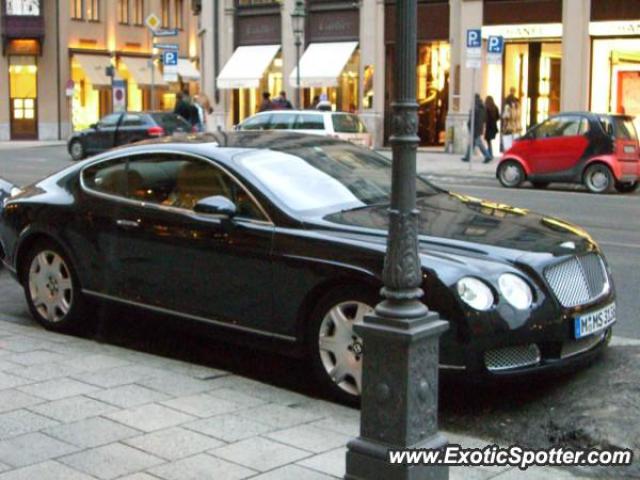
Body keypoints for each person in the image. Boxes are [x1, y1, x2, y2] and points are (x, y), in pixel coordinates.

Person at [461, 94, 492, 164]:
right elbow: (484, 118)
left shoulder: (475, 107)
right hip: (479, 127)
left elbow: (472, 119)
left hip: (475, 128)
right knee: (471, 143)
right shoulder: (482, 107)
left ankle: (487, 156)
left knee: (479, 143)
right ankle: (467, 156)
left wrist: (469, 125)